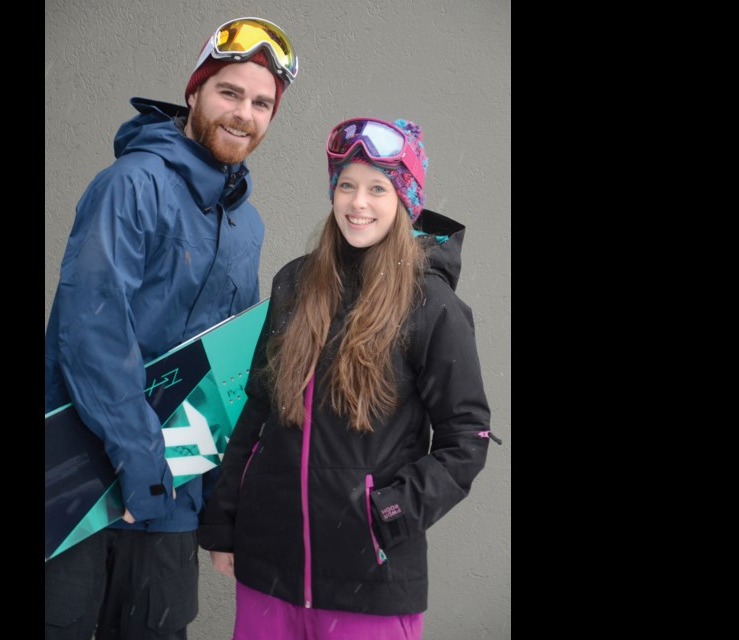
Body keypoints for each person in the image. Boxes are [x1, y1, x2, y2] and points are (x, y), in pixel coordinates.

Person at [44, 17, 298, 640]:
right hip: (85, 487)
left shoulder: (249, 227)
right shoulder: (132, 184)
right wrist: (141, 465)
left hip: (172, 501)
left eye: (261, 103)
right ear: (195, 92)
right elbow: (92, 332)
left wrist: (221, 501)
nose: (243, 113)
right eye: (229, 92)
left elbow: (226, 372)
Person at [198, 117, 499, 639]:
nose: (358, 203)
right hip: (269, 566)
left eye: (378, 188)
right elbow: (259, 407)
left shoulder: (432, 306)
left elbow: (466, 439)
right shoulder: (295, 282)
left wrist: (391, 511)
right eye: (347, 185)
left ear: (404, 200)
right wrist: (224, 522)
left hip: (371, 578)